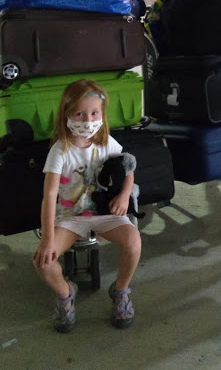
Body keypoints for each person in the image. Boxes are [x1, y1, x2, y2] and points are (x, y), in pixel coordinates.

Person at [33, 79, 141, 332]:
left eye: (94, 113)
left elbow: (128, 170)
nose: (88, 120)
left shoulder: (106, 142)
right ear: (66, 114)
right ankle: (65, 294)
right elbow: (49, 195)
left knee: (133, 242)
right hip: (70, 217)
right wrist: (48, 238)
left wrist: (124, 195)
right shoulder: (60, 151)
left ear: (102, 114)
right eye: (79, 113)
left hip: (104, 213)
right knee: (42, 261)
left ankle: (121, 290)